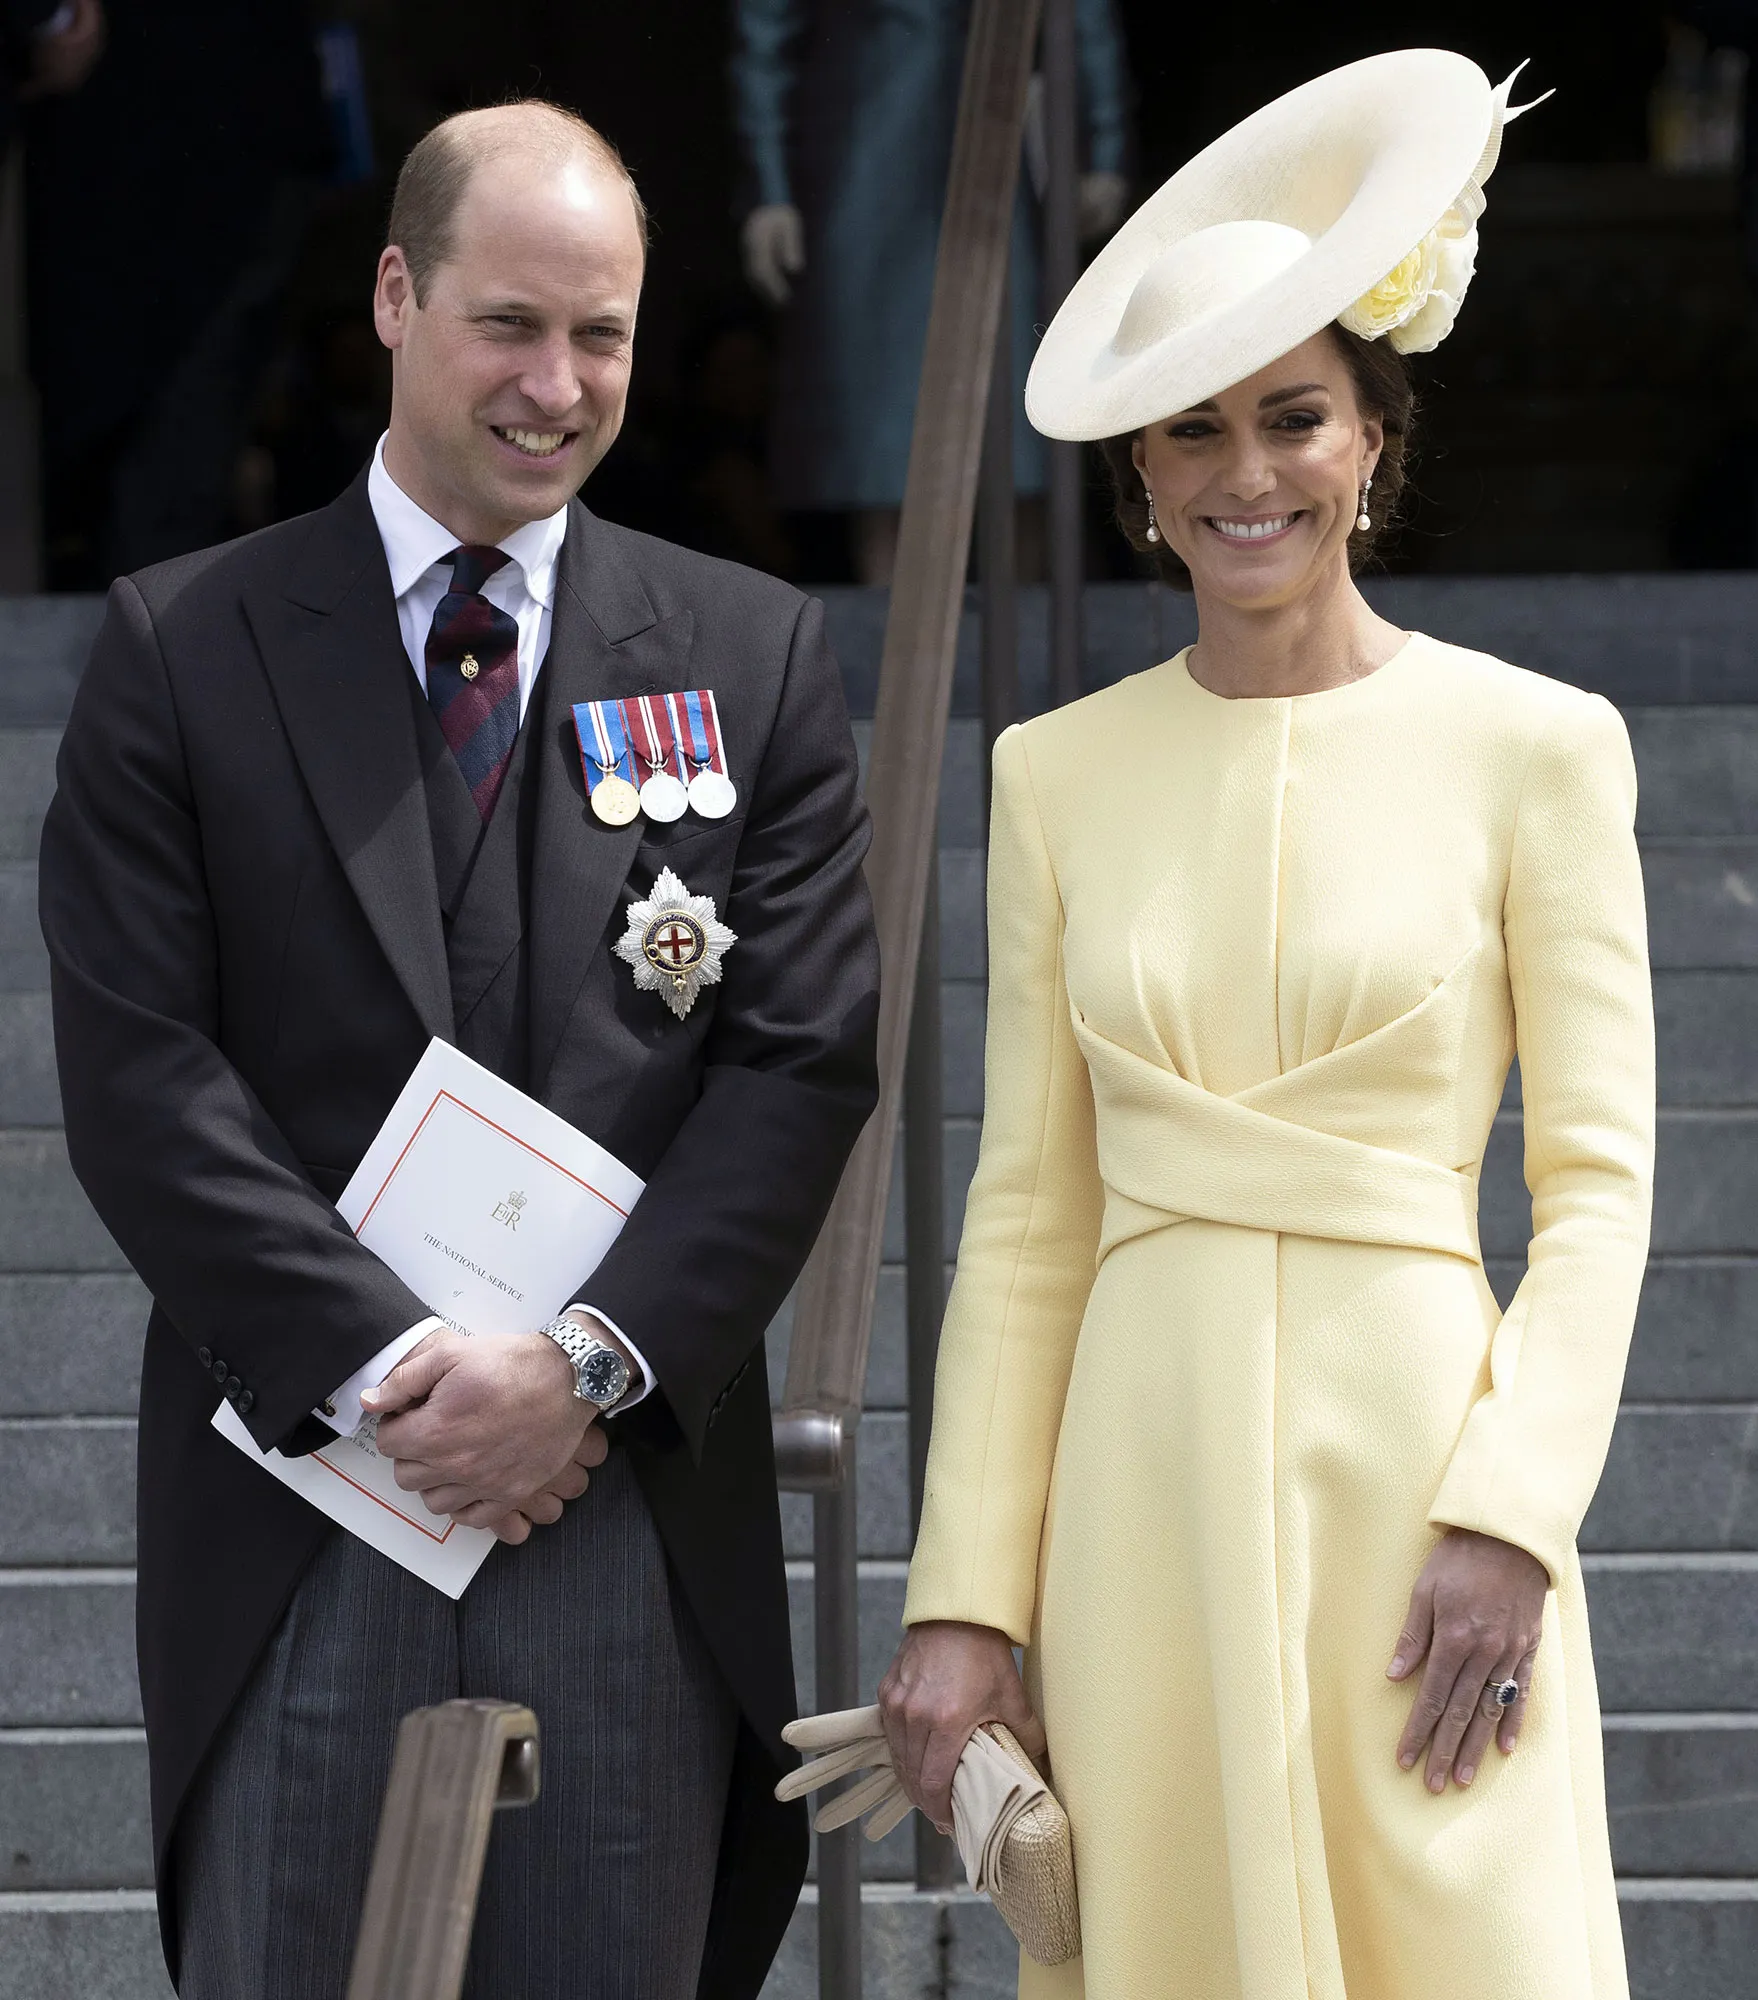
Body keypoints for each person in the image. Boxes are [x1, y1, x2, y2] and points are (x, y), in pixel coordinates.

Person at [39, 100, 879, 1999]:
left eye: (602, 334)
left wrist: (580, 1369)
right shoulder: (186, 643)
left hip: (622, 1508)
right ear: (397, 297)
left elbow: (800, 1062)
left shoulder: (751, 653)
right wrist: (401, 1365)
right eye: (510, 323)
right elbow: (144, 1076)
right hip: (311, 1496)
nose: (556, 383)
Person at [879, 50, 1653, 2000]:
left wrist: (1512, 1509)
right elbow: (1029, 1219)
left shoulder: (1541, 753)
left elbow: (1598, 1189)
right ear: (1138, 478)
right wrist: (969, 1597)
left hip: (1420, 1478)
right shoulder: (1053, 775)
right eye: (1196, 433)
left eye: (1294, 418)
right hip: (1138, 1494)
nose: (1248, 474)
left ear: (1371, 439)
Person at [731, 0, 1129, 583]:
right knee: (884, 449)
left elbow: (1082, 14)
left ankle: (1029, 664)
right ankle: (900, 664)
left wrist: (1104, 143)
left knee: (1023, 425)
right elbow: (764, 34)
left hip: (1008, 160)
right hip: (865, 154)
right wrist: (769, 188)